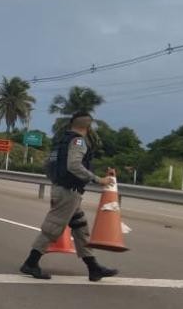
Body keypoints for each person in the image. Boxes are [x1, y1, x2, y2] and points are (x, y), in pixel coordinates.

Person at [21, 112, 119, 282]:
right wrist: (98, 179)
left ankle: (93, 268)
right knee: (53, 228)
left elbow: (48, 164)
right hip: (68, 192)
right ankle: (30, 262)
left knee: (81, 228)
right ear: (87, 127)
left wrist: (57, 182)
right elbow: (74, 165)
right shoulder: (78, 141)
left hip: (64, 189)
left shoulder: (61, 142)